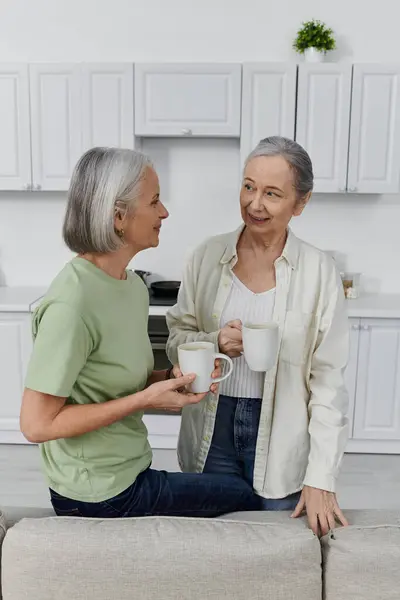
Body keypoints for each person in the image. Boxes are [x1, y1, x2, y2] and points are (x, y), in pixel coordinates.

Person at [20, 147, 260, 519]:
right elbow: (36, 425)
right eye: (154, 201)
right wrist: (144, 400)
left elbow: (112, 380)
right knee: (243, 495)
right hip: (96, 491)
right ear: (119, 216)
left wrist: (168, 379)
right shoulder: (72, 304)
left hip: (129, 469)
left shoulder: (130, 286)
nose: (164, 212)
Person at [166, 136, 350, 536]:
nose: (254, 203)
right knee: (209, 545)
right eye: (248, 186)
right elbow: (176, 339)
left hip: (283, 435)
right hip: (212, 428)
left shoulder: (320, 272)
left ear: (301, 203)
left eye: (272, 193)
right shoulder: (204, 257)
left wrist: (321, 476)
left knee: (281, 549)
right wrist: (214, 341)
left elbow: (329, 382)